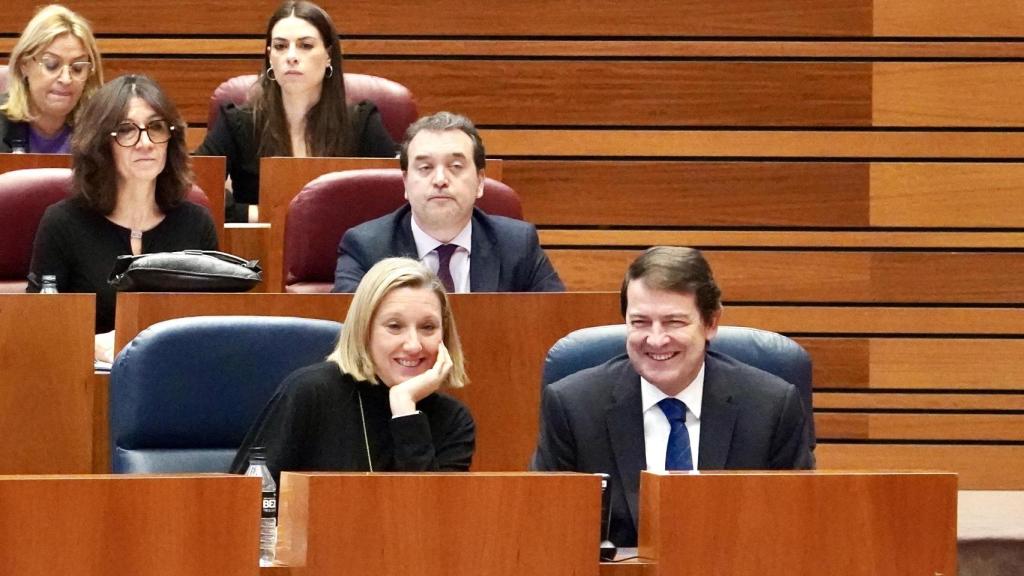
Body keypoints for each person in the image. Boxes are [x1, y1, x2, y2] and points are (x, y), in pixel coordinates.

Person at [531, 246, 813, 547]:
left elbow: (795, 533)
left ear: (711, 323)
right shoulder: (573, 406)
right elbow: (547, 531)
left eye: (674, 322)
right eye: (640, 322)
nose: (656, 339)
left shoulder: (771, 406)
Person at [26, 75, 218, 361]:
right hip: (85, 386)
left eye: (156, 127)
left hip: (177, 382)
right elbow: (36, 330)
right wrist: (90, 346)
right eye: (127, 130)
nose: (145, 143)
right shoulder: (63, 224)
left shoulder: (196, 223)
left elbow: (214, 328)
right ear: (101, 144)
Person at [231, 257, 475, 481]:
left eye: (428, 327)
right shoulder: (310, 393)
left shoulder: (453, 420)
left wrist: (404, 410)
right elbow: (243, 503)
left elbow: (431, 517)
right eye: (394, 326)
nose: (413, 344)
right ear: (364, 331)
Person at [194, 0, 395, 221]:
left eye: (305, 45)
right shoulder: (237, 122)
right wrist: (263, 215)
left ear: (328, 55)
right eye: (280, 46)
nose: (291, 56)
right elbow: (196, 190)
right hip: (257, 248)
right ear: (270, 56)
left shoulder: (362, 123)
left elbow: (393, 193)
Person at [332, 111, 564, 293]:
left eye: (455, 167)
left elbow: (555, 323)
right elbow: (350, 336)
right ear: (405, 182)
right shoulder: (365, 248)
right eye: (425, 168)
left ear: (480, 181)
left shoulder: (517, 245)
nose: (440, 180)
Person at [1, 4, 103, 153]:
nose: (66, 79)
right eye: (51, 65)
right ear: (24, 64)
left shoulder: (102, 131)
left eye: (77, 68)